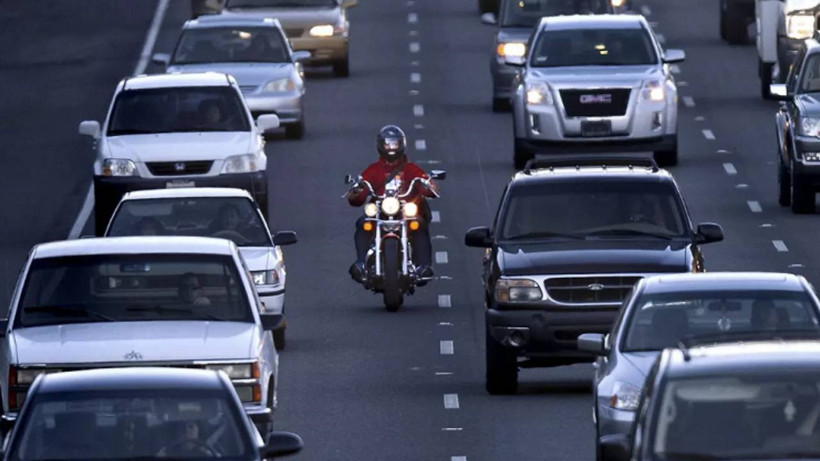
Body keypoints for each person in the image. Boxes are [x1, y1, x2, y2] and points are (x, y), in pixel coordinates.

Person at [346, 125, 438, 283]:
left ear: (401, 144)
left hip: (405, 212)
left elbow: (429, 185)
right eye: (387, 144)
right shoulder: (374, 170)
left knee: (418, 224)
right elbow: (358, 195)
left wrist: (428, 185)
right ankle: (361, 263)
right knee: (363, 224)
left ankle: (424, 266)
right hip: (381, 212)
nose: (391, 147)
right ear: (380, 146)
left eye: (394, 144)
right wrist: (355, 190)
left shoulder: (411, 169)